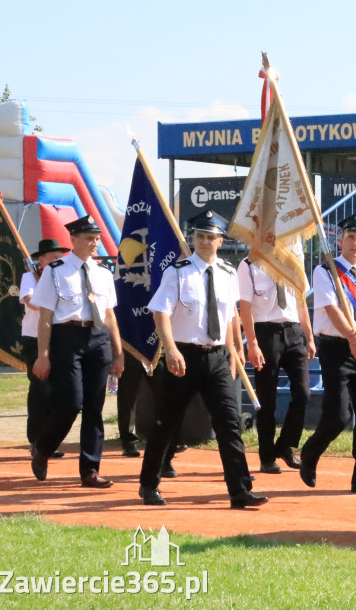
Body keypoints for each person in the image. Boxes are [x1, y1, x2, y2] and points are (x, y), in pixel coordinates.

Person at [138, 210, 266, 509]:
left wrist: (236, 347)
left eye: (211, 237)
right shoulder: (178, 272)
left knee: (229, 423)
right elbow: (160, 313)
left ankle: (239, 490)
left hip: (218, 357)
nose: (205, 242)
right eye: (200, 237)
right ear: (192, 239)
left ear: (220, 241)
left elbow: (231, 314)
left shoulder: (228, 272)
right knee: (166, 422)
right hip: (184, 355)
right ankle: (149, 484)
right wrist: (170, 349)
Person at [30, 216, 123, 488]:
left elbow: (109, 315)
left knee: (95, 407)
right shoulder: (56, 270)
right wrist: (43, 354)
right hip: (66, 337)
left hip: (98, 338)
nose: (94, 242)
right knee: (71, 403)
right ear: (73, 240)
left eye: (96, 238)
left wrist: (118, 352)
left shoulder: (104, 273)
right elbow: (45, 316)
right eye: (88, 238)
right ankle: (43, 448)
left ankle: (90, 470)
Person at [299, 213, 356, 494]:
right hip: (336, 348)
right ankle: (310, 452)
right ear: (340, 240)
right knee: (338, 416)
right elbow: (331, 309)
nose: (355, 242)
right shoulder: (326, 271)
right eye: (351, 237)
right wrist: (352, 336)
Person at [238, 256, 316, 474]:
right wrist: (252, 343)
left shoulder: (293, 263)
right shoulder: (249, 265)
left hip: (293, 331)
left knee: (303, 393)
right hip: (265, 332)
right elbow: (245, 308)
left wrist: (309, 337)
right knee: (267, 398)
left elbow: (301, 303)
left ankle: (285, 445)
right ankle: (266, 456)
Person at [20, 238, 69, 458]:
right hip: (34, 338)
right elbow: (30, 301)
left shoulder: (65, 277)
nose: (58, 260)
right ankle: (36, 439)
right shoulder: (30, 277)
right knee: (41, 389)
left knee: (59, 391)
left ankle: (49, 440)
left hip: (59, 338)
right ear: (42, 259)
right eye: (53, 257)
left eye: (60, 257)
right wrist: (52, 302)